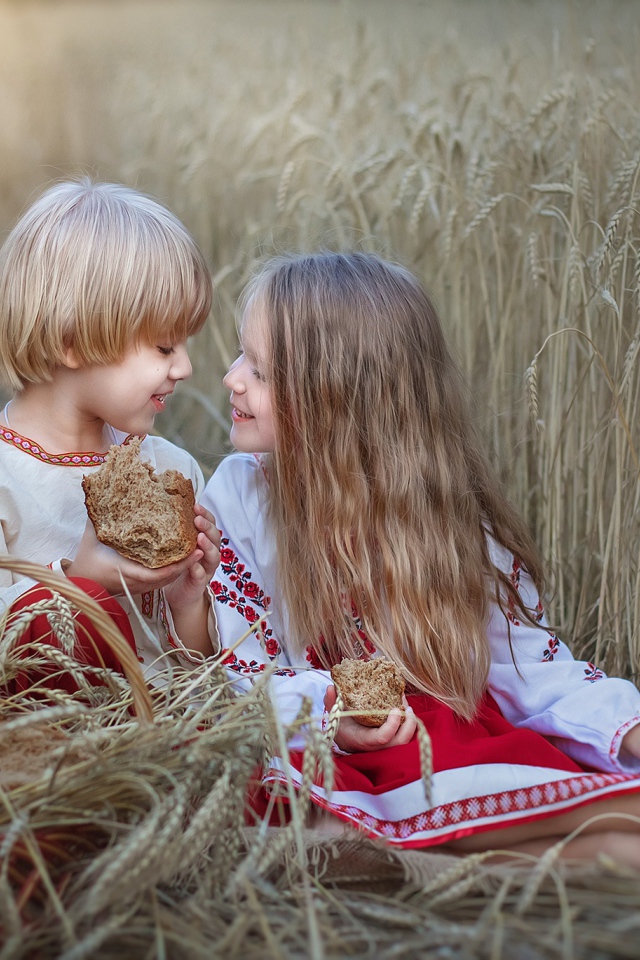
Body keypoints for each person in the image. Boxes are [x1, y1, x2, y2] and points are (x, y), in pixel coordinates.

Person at [202, 250, 640, 866]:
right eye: (243, 355)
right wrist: (332, 713)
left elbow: (533, 669)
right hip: (328, 745)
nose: (232, 377)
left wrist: (627, 726)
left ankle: (471, 848)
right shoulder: (241, 496)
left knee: (621, 833)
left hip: (441, 741)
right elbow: (243, 674)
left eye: (263, 371)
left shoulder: (448, 518)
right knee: (616, 839)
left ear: (341, 400)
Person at [0, 179, 220, 699]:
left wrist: (190, 602)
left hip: (168, 746)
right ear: (72, 341)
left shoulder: (173, 472)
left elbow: (199, 675)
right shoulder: (8, 480)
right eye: (165, 346)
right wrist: (79, 579)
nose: (185, 367)